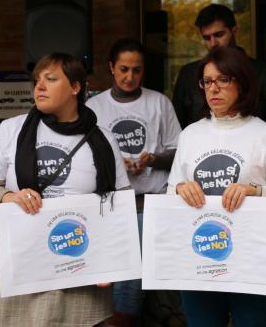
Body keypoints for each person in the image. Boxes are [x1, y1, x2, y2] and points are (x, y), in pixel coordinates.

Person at [0, 53, 130, 327]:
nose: (39, 87)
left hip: (81, 270)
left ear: (76, 87)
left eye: (51, 79)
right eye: (37, 81)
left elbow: (120, 205)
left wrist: (113, 263)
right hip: (24, 269)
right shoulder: (12, 130)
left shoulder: (103, 138)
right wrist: (8, 197)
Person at [167, 45, 266, 327]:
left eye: (223, 80)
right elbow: (170, 196)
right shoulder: (190, 135)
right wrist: (179, 190)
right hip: (199, 257)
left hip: (251, 261)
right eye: (207, 81)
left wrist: (256, 191)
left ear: (243, 82)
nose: (213, 88)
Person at [87, 38, 181, 326]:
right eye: (124, 69)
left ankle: (121, 321)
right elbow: (84, 157)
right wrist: (115, 163)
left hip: (150, 203)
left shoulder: (159, 102)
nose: (130, 77)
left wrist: (151, 159)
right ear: (111, 68)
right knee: (118, 271)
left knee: (132, 271)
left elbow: (180, 151)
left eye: (137, 70)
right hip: (110, 205)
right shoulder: (94, 107)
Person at [172, 3, 266, 128]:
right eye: (207, 38)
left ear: (235, 31)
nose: (213, 43)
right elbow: (177, 125)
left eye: (219, 35)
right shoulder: (188, 74)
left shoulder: (264, 74)